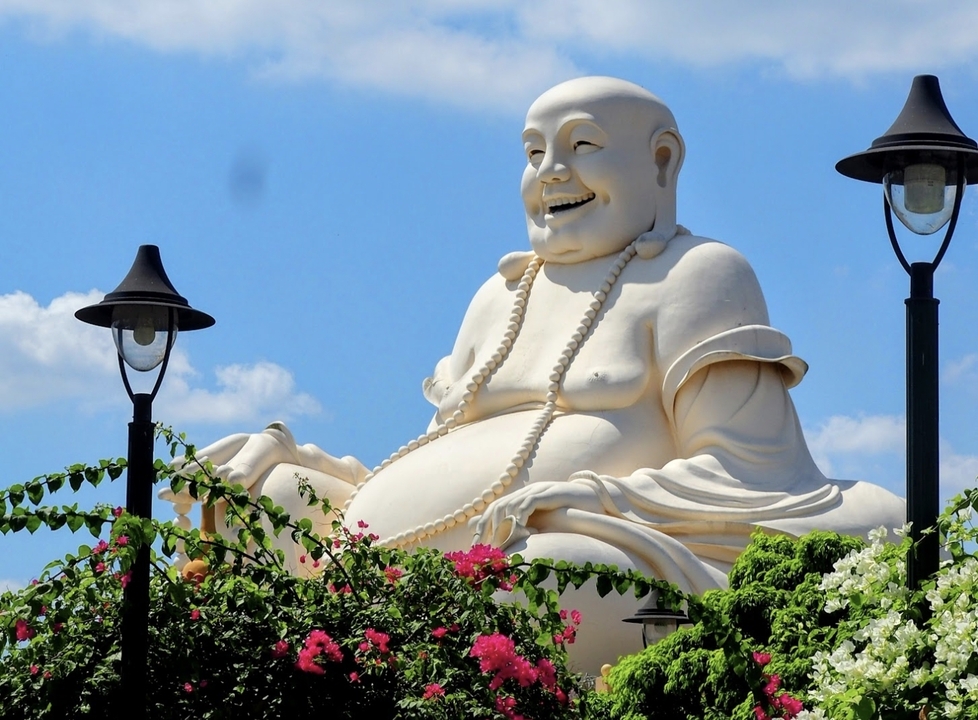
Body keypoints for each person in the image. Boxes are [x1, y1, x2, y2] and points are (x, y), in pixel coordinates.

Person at [168, 76, 905, 671]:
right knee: (258, 500)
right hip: (400, 567)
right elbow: (430, 459)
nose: (551, 172)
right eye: (532, 153)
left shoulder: (698, 273)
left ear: (661, 162)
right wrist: (294, 456)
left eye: (581, 145)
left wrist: (592, 497)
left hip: (587, 554)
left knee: (539, 579)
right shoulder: (499, 297)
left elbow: (752, 469)